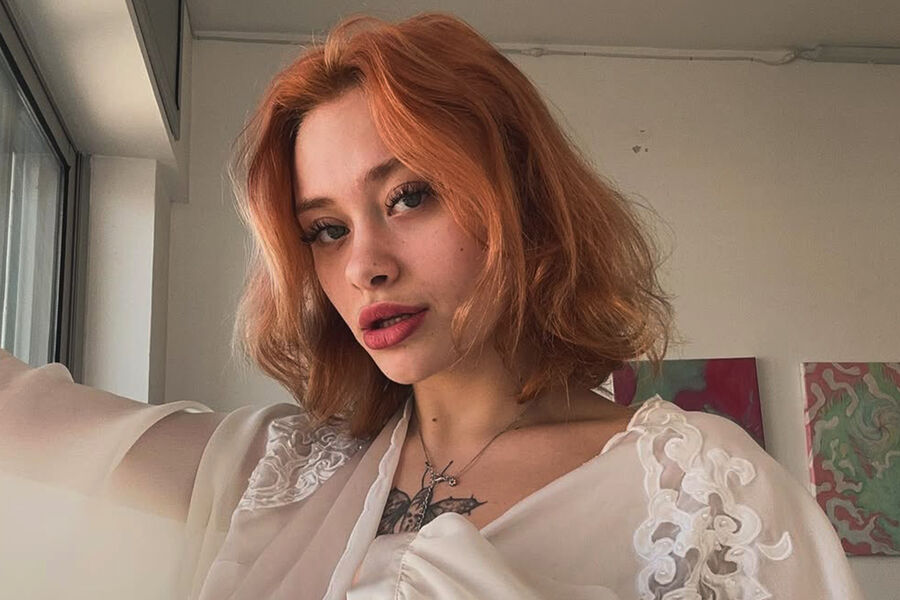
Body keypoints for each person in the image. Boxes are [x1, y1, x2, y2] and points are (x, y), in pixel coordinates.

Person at [0, 11, 863, 600]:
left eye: (409, 196)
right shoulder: (275, 472)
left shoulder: (701, 489)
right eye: (326, 229)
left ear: (520, 199)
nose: (364, 265)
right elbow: (22, 420)